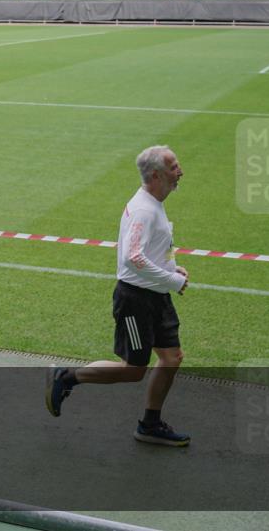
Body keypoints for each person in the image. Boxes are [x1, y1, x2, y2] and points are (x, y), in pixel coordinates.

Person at [46, 145, 190, 447]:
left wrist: (172, 269)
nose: (180, 172)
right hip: (136, 301)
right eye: (174, 167)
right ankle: (67, 377)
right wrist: (172, 279)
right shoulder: (143, 210)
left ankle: (150, 424)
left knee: (172, 357)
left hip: (156, 295)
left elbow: (153, 248)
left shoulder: (154, 204)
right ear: (156, 175)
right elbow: (132, 258)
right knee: (133, 370)